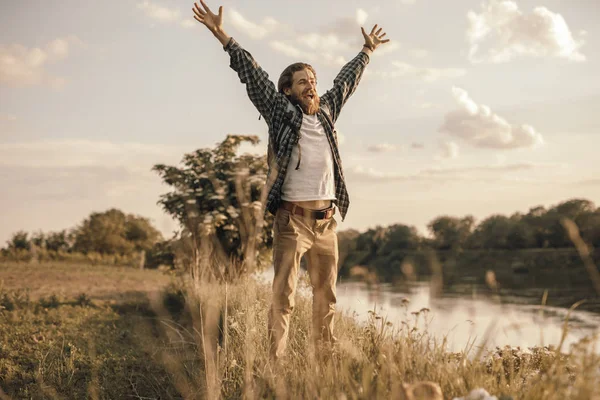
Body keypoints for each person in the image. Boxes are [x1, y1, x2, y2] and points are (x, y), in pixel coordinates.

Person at [192, 0, 390, 360]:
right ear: (289, 90)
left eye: (312, 80)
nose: (310, 86)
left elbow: (347, 81)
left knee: (326, 297)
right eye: (302, 82)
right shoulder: (281, 112)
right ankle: (275, 366)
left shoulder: (327, 112)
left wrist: (367, 50)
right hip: (292, 222)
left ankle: (322, 362)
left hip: (327, 223)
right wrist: (221, 35)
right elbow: (253, 74)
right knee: (283, 297)